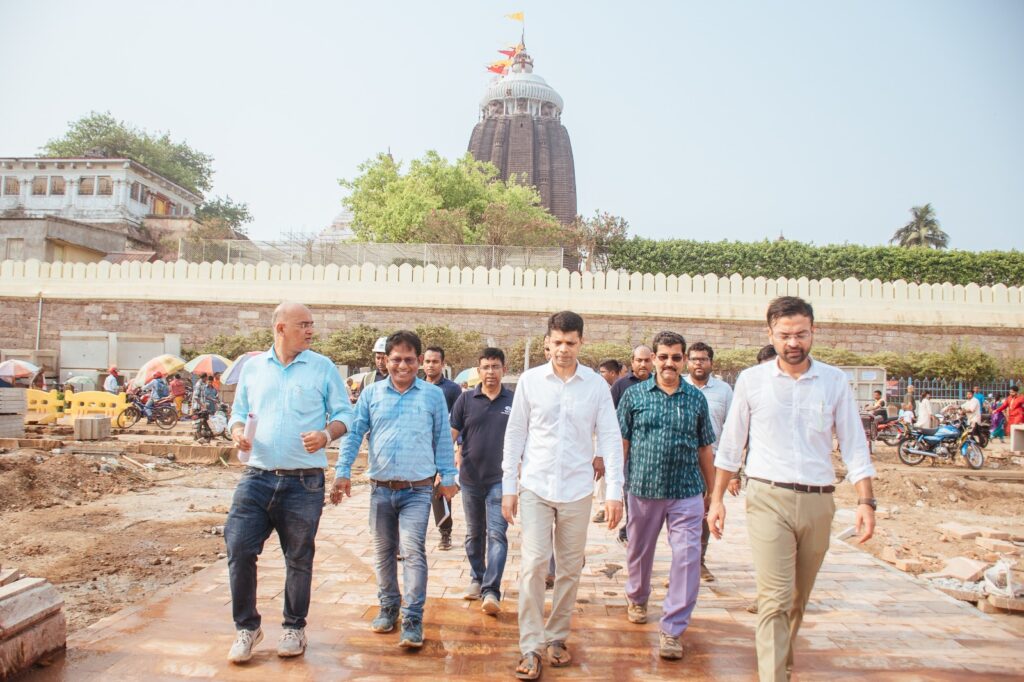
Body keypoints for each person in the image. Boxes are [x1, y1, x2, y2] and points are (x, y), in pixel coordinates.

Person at [708, 296, 876, 682]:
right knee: (775, 599)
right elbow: (732, 445)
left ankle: (779, 664)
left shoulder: (834, 381)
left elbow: (853, 445)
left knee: (798, 599)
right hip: (768, 498)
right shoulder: (752, 381)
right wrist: (716, 499)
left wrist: (866, 501)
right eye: (784, 335)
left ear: (813, 332)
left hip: (819, 501)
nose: (793, 343)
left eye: (801, 334)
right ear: (771, 334)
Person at [224, 302, 353, 664]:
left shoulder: (322, 367)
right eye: (303, 325)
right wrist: (237, 433)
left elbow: (345, 414)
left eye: (312, 324)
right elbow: (237, 414)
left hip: (304, 483)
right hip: (256, 478)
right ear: (280, 328)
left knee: (298, 557)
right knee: (239, 548)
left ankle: (294, 626)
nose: (311, 331)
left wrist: (326, 435)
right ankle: (246, 628)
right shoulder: (253, 369)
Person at [502, 311, 624, 680]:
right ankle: (530, 645)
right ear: (547, 343)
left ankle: (556, 636)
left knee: (570, 569)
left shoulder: (596, 386)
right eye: (557, 342)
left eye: (571, 343)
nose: (564, 349)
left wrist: (613, 494)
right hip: (536, 486)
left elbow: (610, 440)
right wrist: (509, 487)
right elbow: (515, 435)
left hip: (577, 489)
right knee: (535, 564)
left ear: (581, 343)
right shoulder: (530, 381)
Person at [333, 330, 457, 649]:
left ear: (419, 362)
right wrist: (342, 471)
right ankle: (388, 606)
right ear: (386, 361)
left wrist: (448, 475)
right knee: (383, 552)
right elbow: (354, 433)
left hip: (417, 491)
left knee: (413, 550)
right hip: (380, 490)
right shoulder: (372, 395)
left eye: (410, 360)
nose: (403, 365)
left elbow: (443, 439)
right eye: (397, 359)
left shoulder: (432, 396)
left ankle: (413, 616)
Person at [618, 331, 715, 660]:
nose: (669, 363)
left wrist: (712, 492)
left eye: (676, 357)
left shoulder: (696, 399)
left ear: (684, 360)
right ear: (654, 359)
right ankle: (637, 596)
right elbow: (623, 443)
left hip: (686, 490)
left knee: (687, 558)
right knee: (639, 552)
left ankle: (673, 629)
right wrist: (616, 487)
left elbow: (705, 447)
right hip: (644, 489)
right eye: (663, 357)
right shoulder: (635, 397)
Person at [450, 347, 513, 615]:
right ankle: (477, 577)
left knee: (497, 534)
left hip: (501, 479)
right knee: (473, 534)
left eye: (495, 367)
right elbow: (451, 434)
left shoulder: (514, 400)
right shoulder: (465, 400)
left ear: (503, 370)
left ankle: (491, 591)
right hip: (470, 479)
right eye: (485, 367)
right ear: (479, 370)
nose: (490, 372)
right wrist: (444, 466)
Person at [683, 341, 733, 583]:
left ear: (711, 362)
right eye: (694, 359)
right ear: (687, 361)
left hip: (710, 462)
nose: (698, 363)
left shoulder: (723, 391)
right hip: (681, 460)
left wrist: (733, 471)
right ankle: (680, 563)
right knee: (679, 513)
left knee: (705, 511)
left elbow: (733, 430)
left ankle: (699, 561)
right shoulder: (677, 385)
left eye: (703, 359)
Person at [610, 345, 654, 547]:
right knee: (630, 494)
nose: (643, 364)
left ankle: (633, 530)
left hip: (652, 453)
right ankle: (632, 530)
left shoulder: (659, 384)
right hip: (628, 452)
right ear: (632, 362)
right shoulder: (621, 386)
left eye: (646, 360)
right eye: (639, 360)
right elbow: (609, 417)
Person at [423, 345, 462, 550]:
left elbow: (459, 421)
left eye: (435, 361)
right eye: (428, 361)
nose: (431, 365)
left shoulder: (452, 389)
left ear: (443, 364)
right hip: (420, 449)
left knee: (441, 491)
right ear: (422, 362)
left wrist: (459, 450)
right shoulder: (417, 386)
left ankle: (445, 533)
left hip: (442, 447)